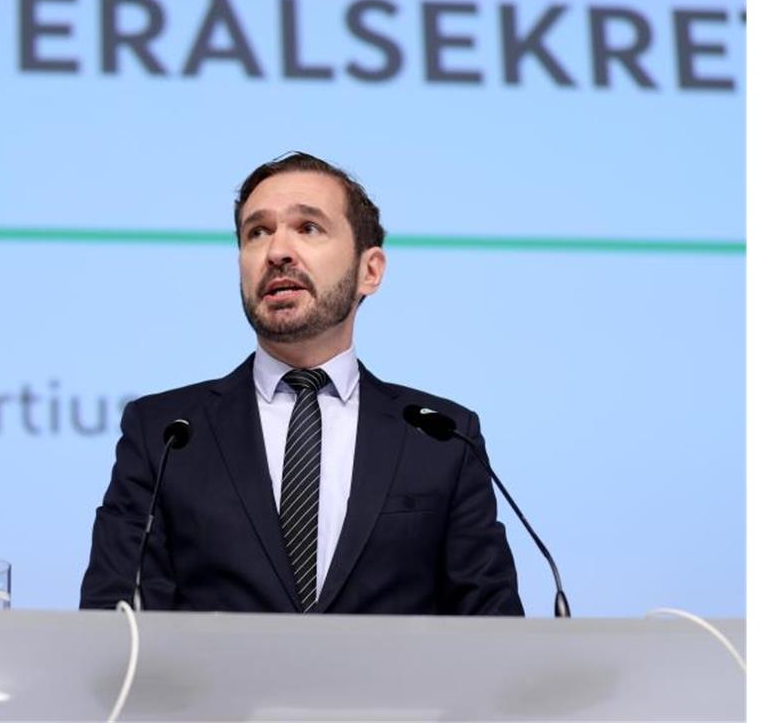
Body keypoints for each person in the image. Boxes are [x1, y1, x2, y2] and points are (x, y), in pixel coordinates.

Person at [80, 152, 524, 615]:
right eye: (257, 232)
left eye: (308, 228)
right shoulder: (165, 433)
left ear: (369, 271)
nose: (277, 252)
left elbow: (494, 633)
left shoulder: (443, 437)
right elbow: (115, 625)